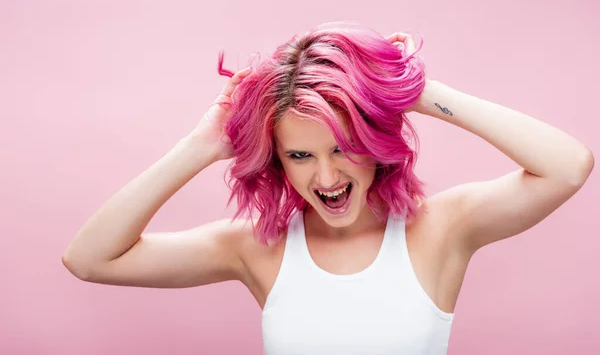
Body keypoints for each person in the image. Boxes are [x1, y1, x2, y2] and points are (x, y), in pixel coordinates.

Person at [62, 22, 594, 354]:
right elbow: (90, 259)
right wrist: (201, 145)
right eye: (300, 155)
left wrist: (413, 90)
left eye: (342, 146)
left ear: (373, 140)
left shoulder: (443, 229)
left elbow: (568, 166)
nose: (327, 177)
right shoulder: (255, 249)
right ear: (279, 162)